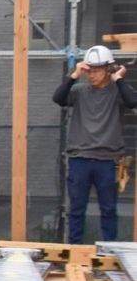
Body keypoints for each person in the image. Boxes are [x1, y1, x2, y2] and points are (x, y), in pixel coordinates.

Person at [53, 45, 137, 243]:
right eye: (89, 70)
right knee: (76, 209)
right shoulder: (80, 91)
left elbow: (133, 102)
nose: (91, 75)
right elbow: (58, 98)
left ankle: (109, 250)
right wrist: (74, 75)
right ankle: (75, 250)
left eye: (96, 70)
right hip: (79, 159)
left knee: (108, 209)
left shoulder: (118, 92)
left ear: (108, 69)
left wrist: (119, 79)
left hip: (107, 160)